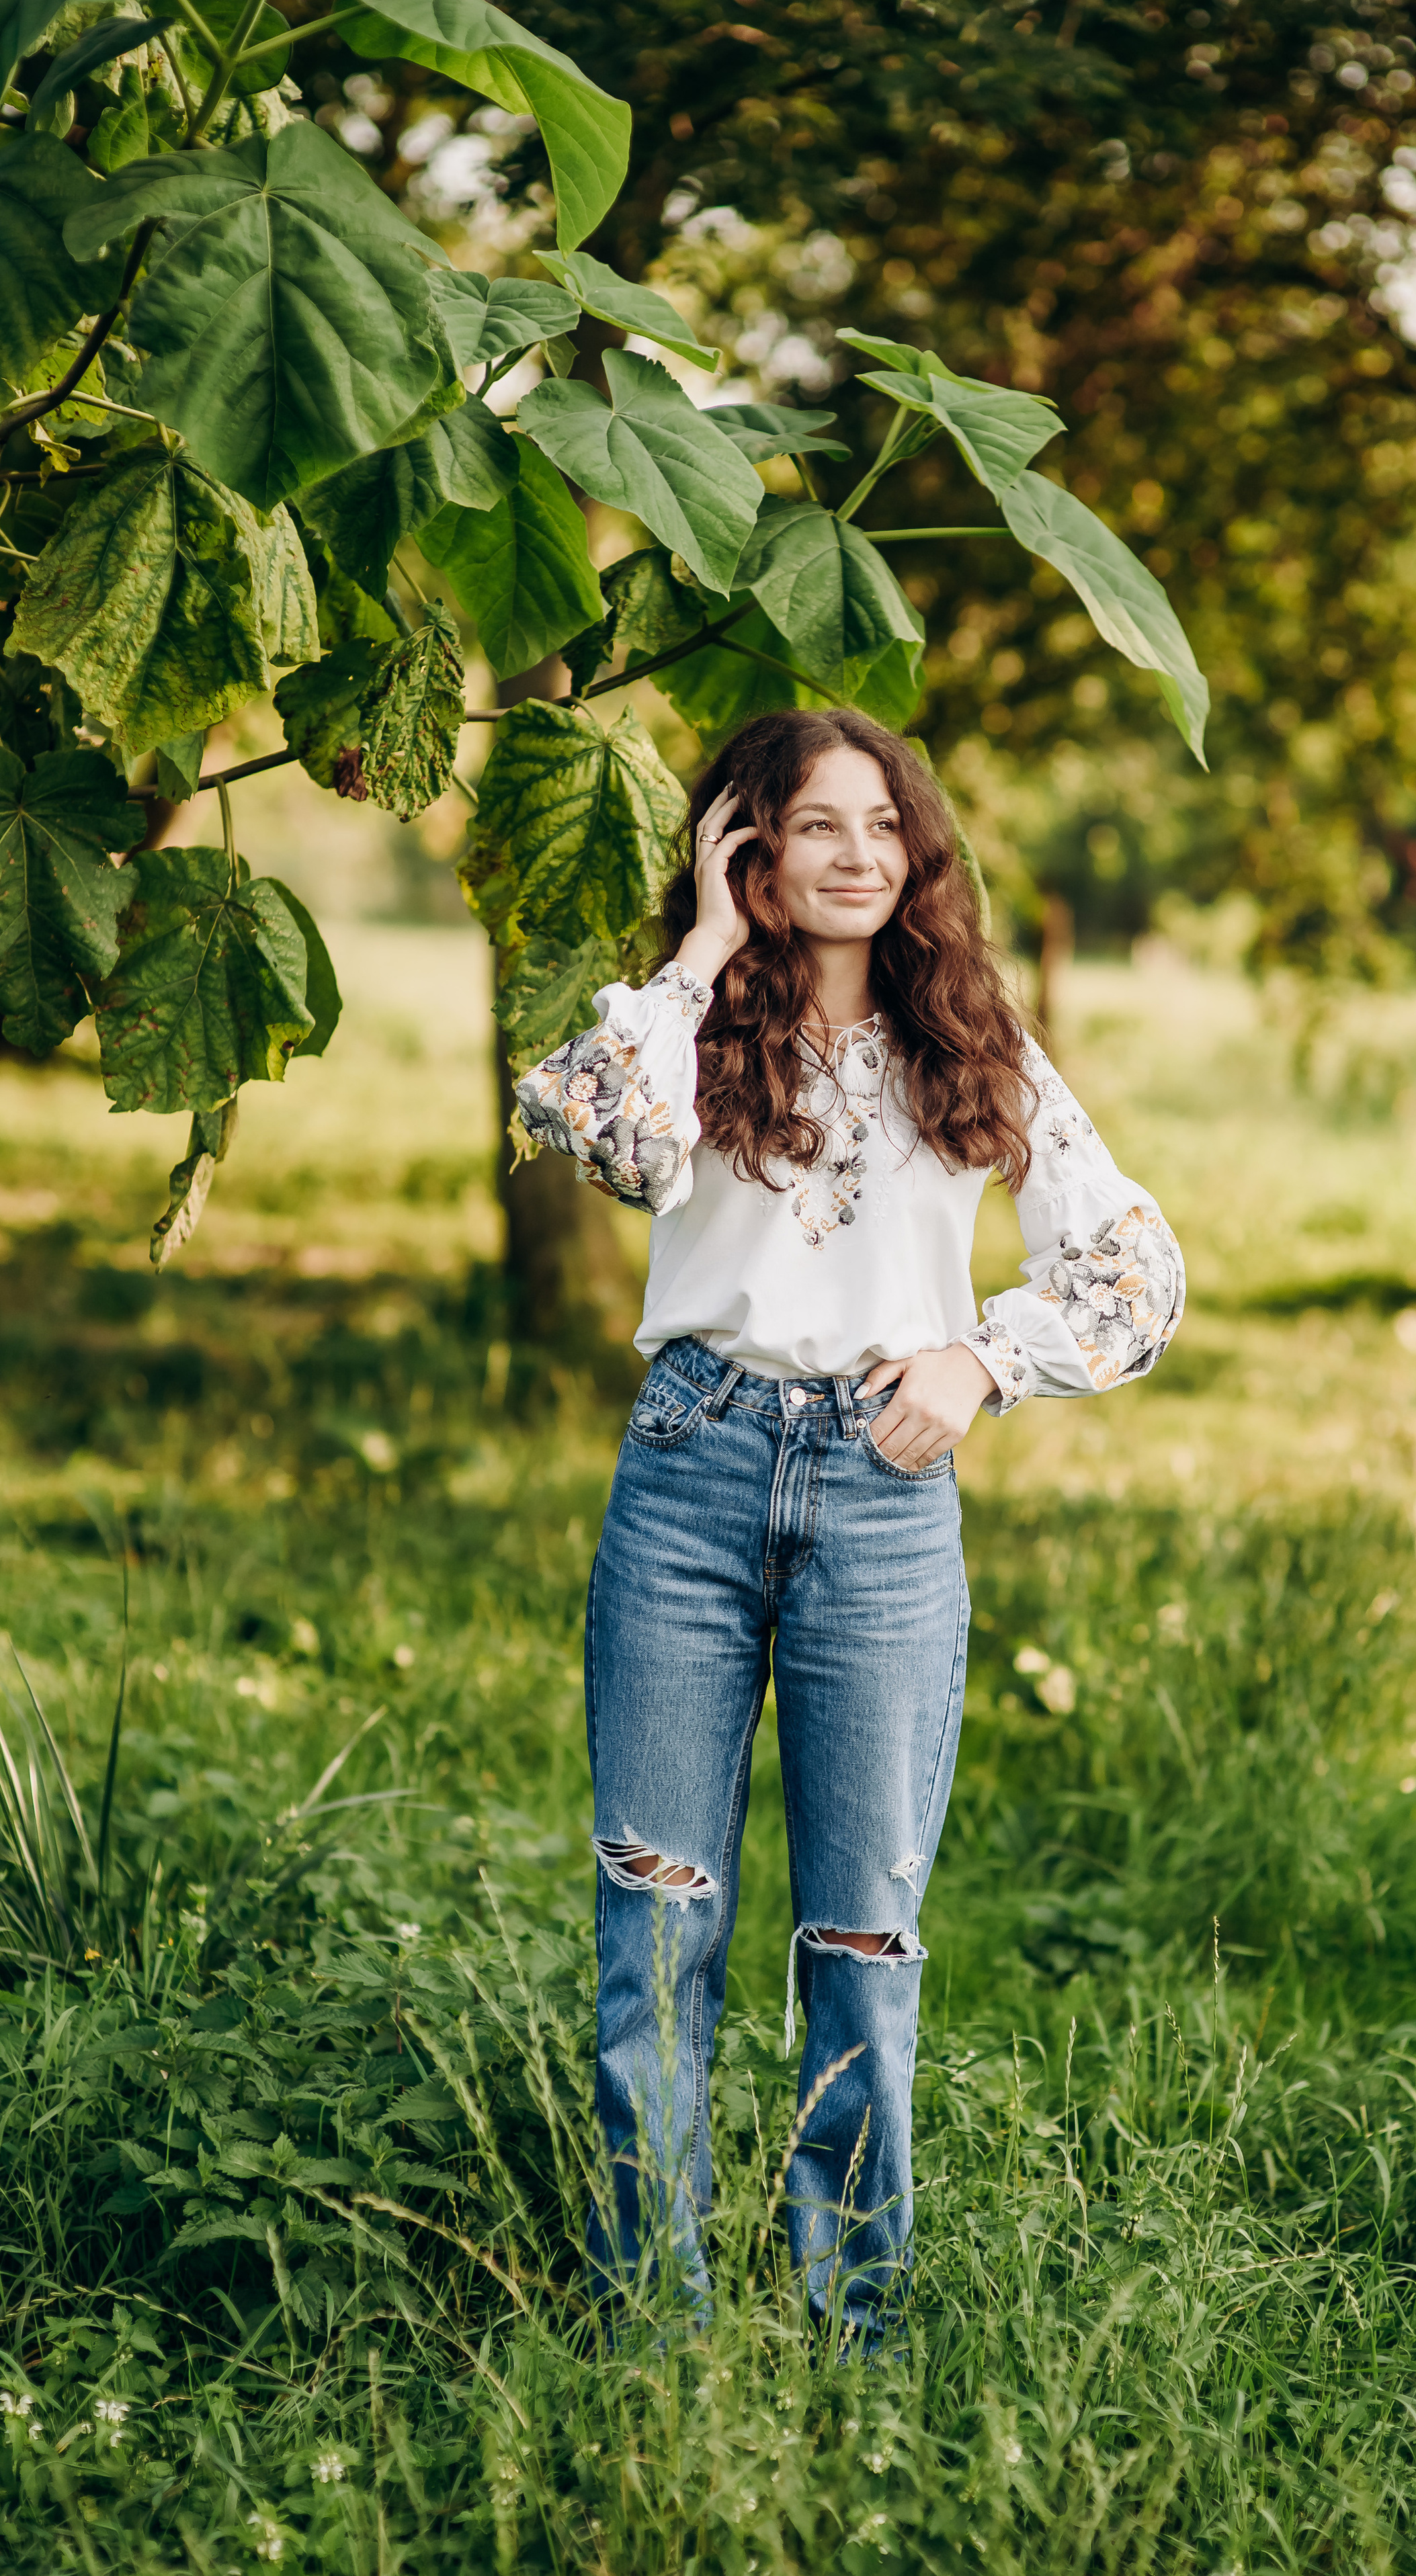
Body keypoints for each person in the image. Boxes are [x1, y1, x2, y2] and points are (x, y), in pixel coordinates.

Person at [516, 705, 1184, 2345]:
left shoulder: (971, 1047)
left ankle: (847, 2335)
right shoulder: (685, 1038)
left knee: (861, 1942)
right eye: (812, 826)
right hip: (689, 1474)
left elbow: (1136, 1269)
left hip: (882, 1503)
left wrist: (982, 1361)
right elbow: (586, 1127)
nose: (856, 858)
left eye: (883, 829)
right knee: (653, 1927)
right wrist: (694, 947)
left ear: (919, 856)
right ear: (744, 843)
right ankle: (651, 2332)